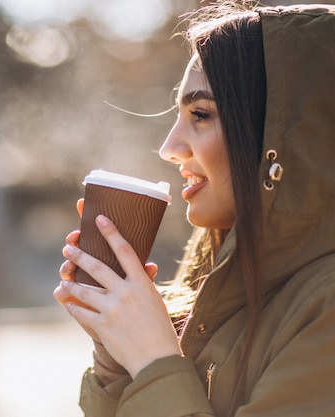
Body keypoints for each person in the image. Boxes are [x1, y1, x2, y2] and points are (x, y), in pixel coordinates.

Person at [53, 3, 335, 416]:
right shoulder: (219, 281)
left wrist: (155, 362)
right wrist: (120, 363)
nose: (169, 148)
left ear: (287, 135)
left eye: (200, 114)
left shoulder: (324, 307)